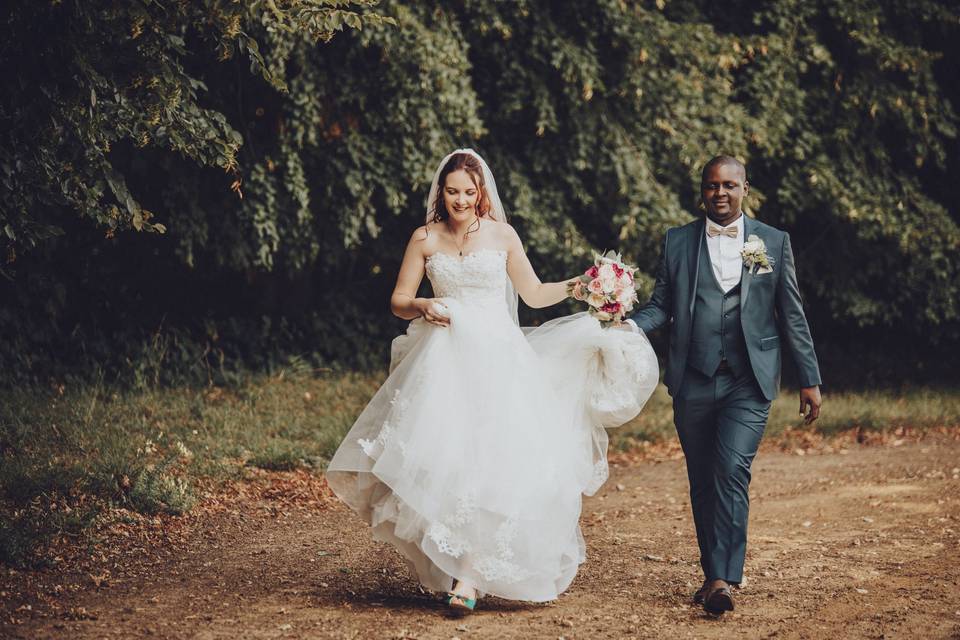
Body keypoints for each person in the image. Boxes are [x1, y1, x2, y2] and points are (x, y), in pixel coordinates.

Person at [326, 149, 658, 611]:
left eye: (469, 192)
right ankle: (454, 564)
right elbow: (399, 299)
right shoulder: (425, 238)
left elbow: (535, 294)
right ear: (441, 191)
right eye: (453, 191)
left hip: (499, 359)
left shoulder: (502, 236)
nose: (461, 200)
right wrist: (422, 306)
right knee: (448, 457)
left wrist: (586, 284)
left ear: (481, 193)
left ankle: (469, 576)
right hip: (443, 358)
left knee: (494, 460)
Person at [626, 155, 823, 614]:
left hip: (748, 380)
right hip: (692, 377)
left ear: (744, 189)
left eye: (729, 185)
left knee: (731, 469)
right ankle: (712, 571)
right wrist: (628, 326)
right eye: (712, 186)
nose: (720, 193)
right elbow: (661, 306)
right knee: (701, 478)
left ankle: (721, 579)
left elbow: (791, 313)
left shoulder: (773, 241)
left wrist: (808, 378)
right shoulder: (677, 241)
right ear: (702, 192)